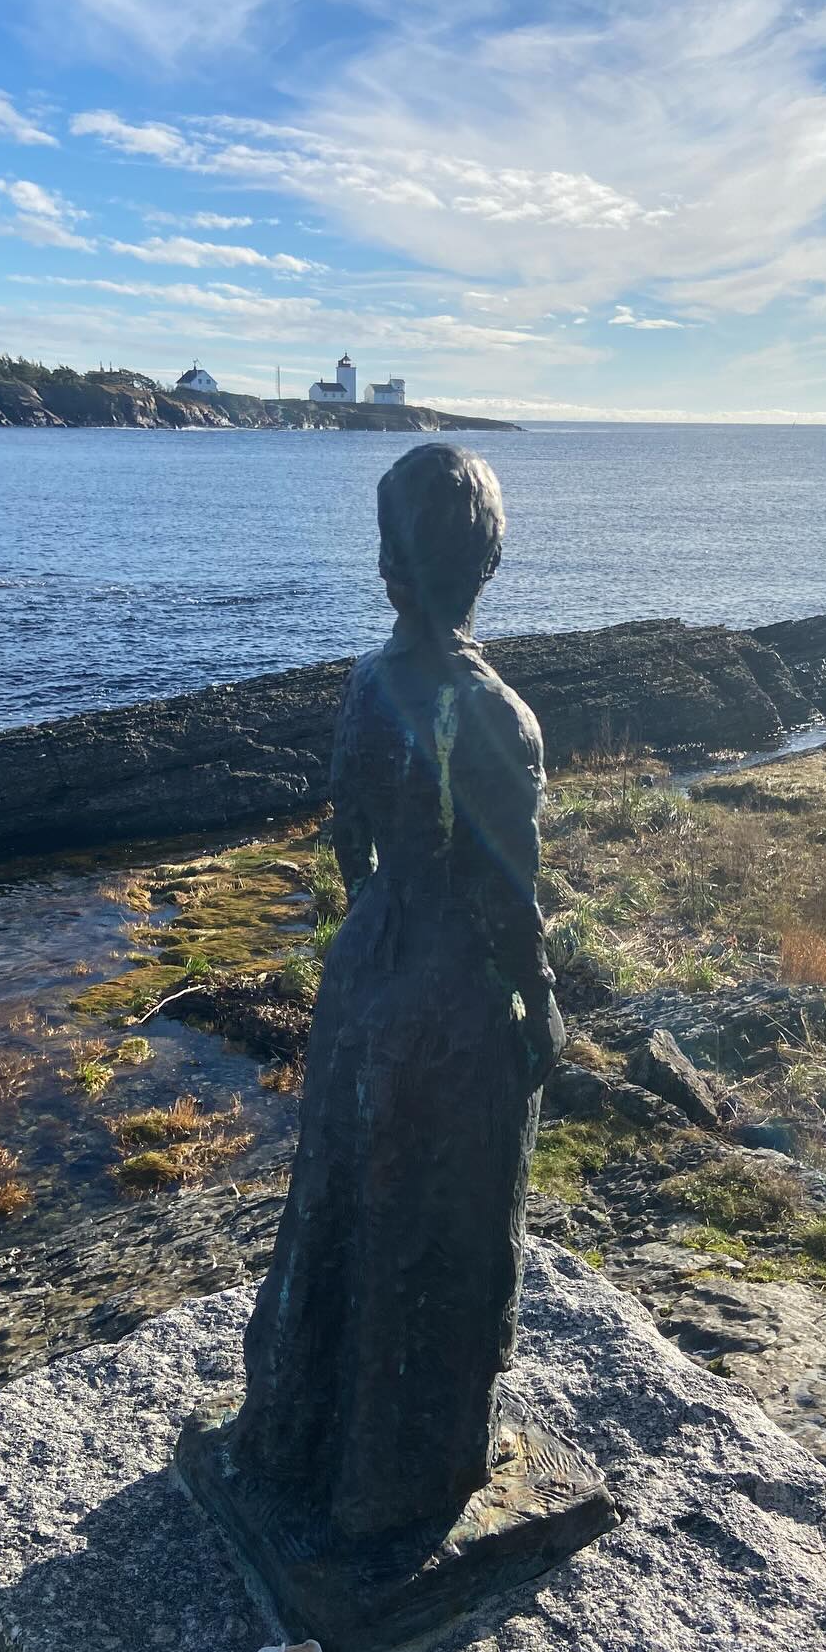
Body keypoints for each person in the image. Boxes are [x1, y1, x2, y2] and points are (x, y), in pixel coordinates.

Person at [230, 444, 564, 1543]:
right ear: (486, 565)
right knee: (437, 1226)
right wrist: (543, 1007)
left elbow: (346, 832)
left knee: (338, 1205)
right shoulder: (497, 715)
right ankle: (399, 1479)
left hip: (366, 971)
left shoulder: (367, 687)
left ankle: (294, 1432)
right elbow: (514, 902)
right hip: (453, 1005)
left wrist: (380, 914)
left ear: (393, 568)